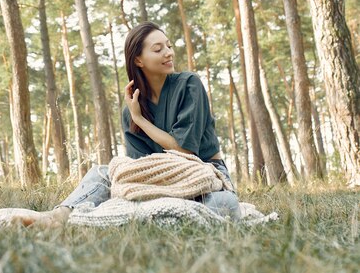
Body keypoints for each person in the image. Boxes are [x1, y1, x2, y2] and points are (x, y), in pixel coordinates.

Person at [14, 22, 240, 227]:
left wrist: (141, 120)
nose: (169, 53)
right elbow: (136, 168)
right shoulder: (130, 110)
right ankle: (58, 217)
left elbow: (184, 149)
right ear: (138, 60)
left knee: (226, 204)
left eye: (168, 46)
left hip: (204, 171)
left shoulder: (190, 84)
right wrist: (135, 118)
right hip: (160, 181)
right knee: (103, 173)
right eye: (158, 49)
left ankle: (140, 217)